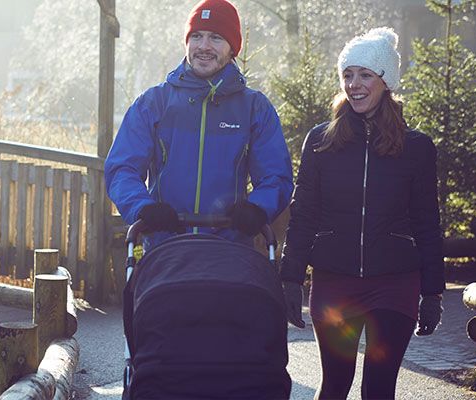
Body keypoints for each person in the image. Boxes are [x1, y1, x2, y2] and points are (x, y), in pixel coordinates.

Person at [280, 27, 444, 399]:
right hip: (334, 283)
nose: (354, 84)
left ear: (386, 81)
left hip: (395, 282)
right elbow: (303, 213)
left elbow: (427, 221)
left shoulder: (416, 147)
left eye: (365, 75)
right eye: (348, 75)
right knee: (335, 385)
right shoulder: (321, 140)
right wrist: (290, 278)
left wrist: (432, 291)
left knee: (379, 387)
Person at [104, 0, 293, 253]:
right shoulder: (154, 103)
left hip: (229, 249)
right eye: (197, 36)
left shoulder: (254, 108)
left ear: (232, 48)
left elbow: (276, 175)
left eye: (216, 38)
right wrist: (143, 207)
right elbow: (122, 167)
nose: (204, 46)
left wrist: (257, 207)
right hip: (165, 249)